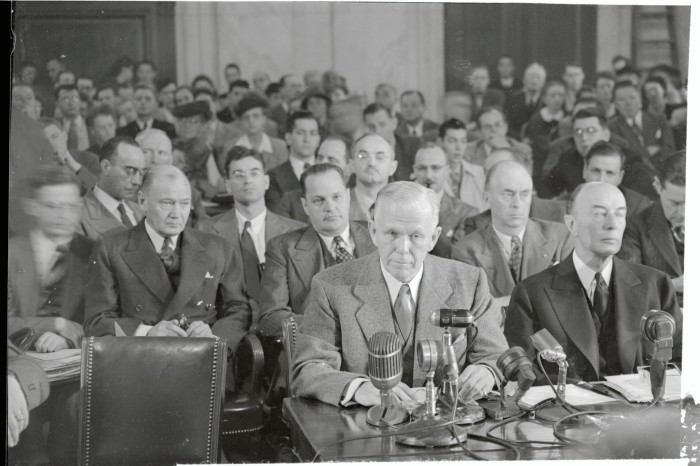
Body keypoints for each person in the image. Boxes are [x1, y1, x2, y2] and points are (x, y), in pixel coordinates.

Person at [291, 181, 508, 406]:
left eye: (415, 236)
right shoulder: (332, 286)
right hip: (367, 429)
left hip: (449, 427)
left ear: (433, 238)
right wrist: (359, 388)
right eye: (392, 233)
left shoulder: (469, 282)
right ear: (374, 232)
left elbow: (496, 357)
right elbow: (308, 369)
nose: (402, 248)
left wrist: (487, 371)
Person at [505, 182, 682, 382]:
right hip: (568, 410)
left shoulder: (656, 285)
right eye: (599, 214)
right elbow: (524, 374)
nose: (612, 224)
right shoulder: (532, 294)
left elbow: (681, 360)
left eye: (619, 214)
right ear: (571, 225)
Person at [84, 165, 252, 358]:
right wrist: (146, 332)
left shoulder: (218, 248)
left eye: (184, 203)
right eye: (166, 203)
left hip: (204, 360)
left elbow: (238, 309)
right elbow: (96, 321)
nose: (176, 214)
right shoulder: (111, 249)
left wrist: (214, 336)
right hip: (142, 361)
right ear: (142, 201)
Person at [258, 163, 376, 338]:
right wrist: (329, 327)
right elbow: (271, 317)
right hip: (318, 347)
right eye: (319, 200)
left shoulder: (377, 238)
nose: (330, 207)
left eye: (336, 197)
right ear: (305, 205)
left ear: (348, 197)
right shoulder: (283, 248)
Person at [452, 161, 573, 307]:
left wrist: (499, 303)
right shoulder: (467, 250)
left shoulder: (561, 237)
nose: (517, 203)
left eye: (524, 194)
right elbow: (475, 310)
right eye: (508, 194)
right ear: (486, 198)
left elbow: (570, 300)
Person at [199, 147, 304, 306]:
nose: (247, 180)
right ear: (228, 186)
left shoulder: (295, 232)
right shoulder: (205, 231)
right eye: (239, 174)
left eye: (254, 173)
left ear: (266, 181)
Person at [8, 165, 95, 350]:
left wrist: (70, 339)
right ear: (33, 207)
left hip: (74, 360)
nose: (63, 215)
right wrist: (57, 324)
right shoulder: (12, 253)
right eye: (52, 207)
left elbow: (104, 319)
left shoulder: (94, 252)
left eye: (71, 207)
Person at [451, 147, 568, 242]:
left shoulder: (560, 212)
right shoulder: (475, 225)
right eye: (486, 173)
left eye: (500, 169)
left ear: (524, 172)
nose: (490, 179)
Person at [541, 109, 655, 200]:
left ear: (606, 134)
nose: (584, 138)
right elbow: (545, 188)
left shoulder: (630, 161)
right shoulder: (568, 158)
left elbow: (643, 203)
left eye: (591, 131)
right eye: (578, 132)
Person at [619, 151, 685, 305]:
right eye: (675, 203)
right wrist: (675, 285)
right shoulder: (634, 227)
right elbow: (630, 287)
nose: (683, 213)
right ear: (657, 186)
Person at [413, 143, 478, 258]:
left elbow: (456, 257)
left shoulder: (467, 213)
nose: (428, 175)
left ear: (447, 170)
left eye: (435, 168)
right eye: (422, 168)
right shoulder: (399, 207)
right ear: (414, 170)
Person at [135, 128, 209, 228]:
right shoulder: (126, 191)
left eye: (161, 153)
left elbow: (203, 229)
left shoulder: (191, 193)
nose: (155, 159)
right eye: (146, 152)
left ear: (170, 159)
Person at [79, 136, 146, 240]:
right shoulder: (77, 214)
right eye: (130, 170)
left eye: (141, 173)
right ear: (106, 167)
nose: (137, 181)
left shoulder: (142, 212)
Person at [272, 136, 350, 223]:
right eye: (320, 158)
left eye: (331, 159)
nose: (323, 163)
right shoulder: (290, 202)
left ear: (349, 166)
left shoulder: (357, 200)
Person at [608, 80, 676, 163]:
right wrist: (648, 152)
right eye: (622, 100)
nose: (628, 103)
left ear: (640, 98)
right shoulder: (611, 126)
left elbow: (670, 149)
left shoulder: (659, 119)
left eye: (632, 97)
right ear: (615, 104)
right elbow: (622, 156)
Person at [265, 110, 320, 209]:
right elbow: (278, 217)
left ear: (318, 140)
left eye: (312, 133)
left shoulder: (329, 172)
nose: (307, 139)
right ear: (288, 138)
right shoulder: (273, 177)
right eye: (300, 133)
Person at [581, 141, 652, 218]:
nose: (601, 180)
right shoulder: (567, 205)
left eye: (609, 173)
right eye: (596, 171)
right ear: (585, 171)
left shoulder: (638, 206)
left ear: (620, 177)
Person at [39, 117, 102, 195]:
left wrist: (74, 165)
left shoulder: (90, 159)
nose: (52, 144)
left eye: (54, 137)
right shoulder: (37, 167)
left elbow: (102, 194)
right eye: (45, 141)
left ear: (65, 136)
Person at [229, 92, 288, 170]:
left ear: (264, 118)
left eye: (256, 116)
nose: (251, 121)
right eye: (246, 117)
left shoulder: (280, 147)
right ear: (241, 121)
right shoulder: (231, 147)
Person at [438, 118, 487, 212]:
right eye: (452, 141)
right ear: (440, 142)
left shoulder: (480, 173)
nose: (458, 147)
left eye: (463, 141)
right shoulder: (432, 174)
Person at [363, 103, 420, 181]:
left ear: (394, 123)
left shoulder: (413, 145)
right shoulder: (361, 149)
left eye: (382, 125)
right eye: (371, 127)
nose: (377, 131)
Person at [349, 134, 398, 222]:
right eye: (363, 157)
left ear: (393, 167)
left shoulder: (403, 207)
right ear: (352, 165)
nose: (372, 163)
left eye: (380, 157)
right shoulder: (341, 206)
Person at [524, 80, 566, 181]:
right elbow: (540, 144)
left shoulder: (567, 118)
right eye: (553, 95)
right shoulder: (537, 119)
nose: (557, 99)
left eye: (560, 95)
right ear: (545, 99)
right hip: (541, 159)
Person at [465, 106, 532, 168]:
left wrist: (504, 148)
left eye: (497, 125)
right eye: (487, 127)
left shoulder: (522, 150)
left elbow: (523, 178)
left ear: (506, 127)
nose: (494, 130)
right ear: (480, 131)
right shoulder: (468, 151)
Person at [505, 62, 546, 135]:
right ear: (524, 80)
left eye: (538, 77)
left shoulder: (546, 100)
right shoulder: (513, 100)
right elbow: (508, 125)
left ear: (543, 82)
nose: (534, 81)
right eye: (531, 77)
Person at [55, 84, 90, 151]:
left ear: (80, 101)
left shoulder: (91, 123)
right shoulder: (54, 126)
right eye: (65, 99)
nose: (71, 103)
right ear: (57, 103)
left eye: (75, 98)